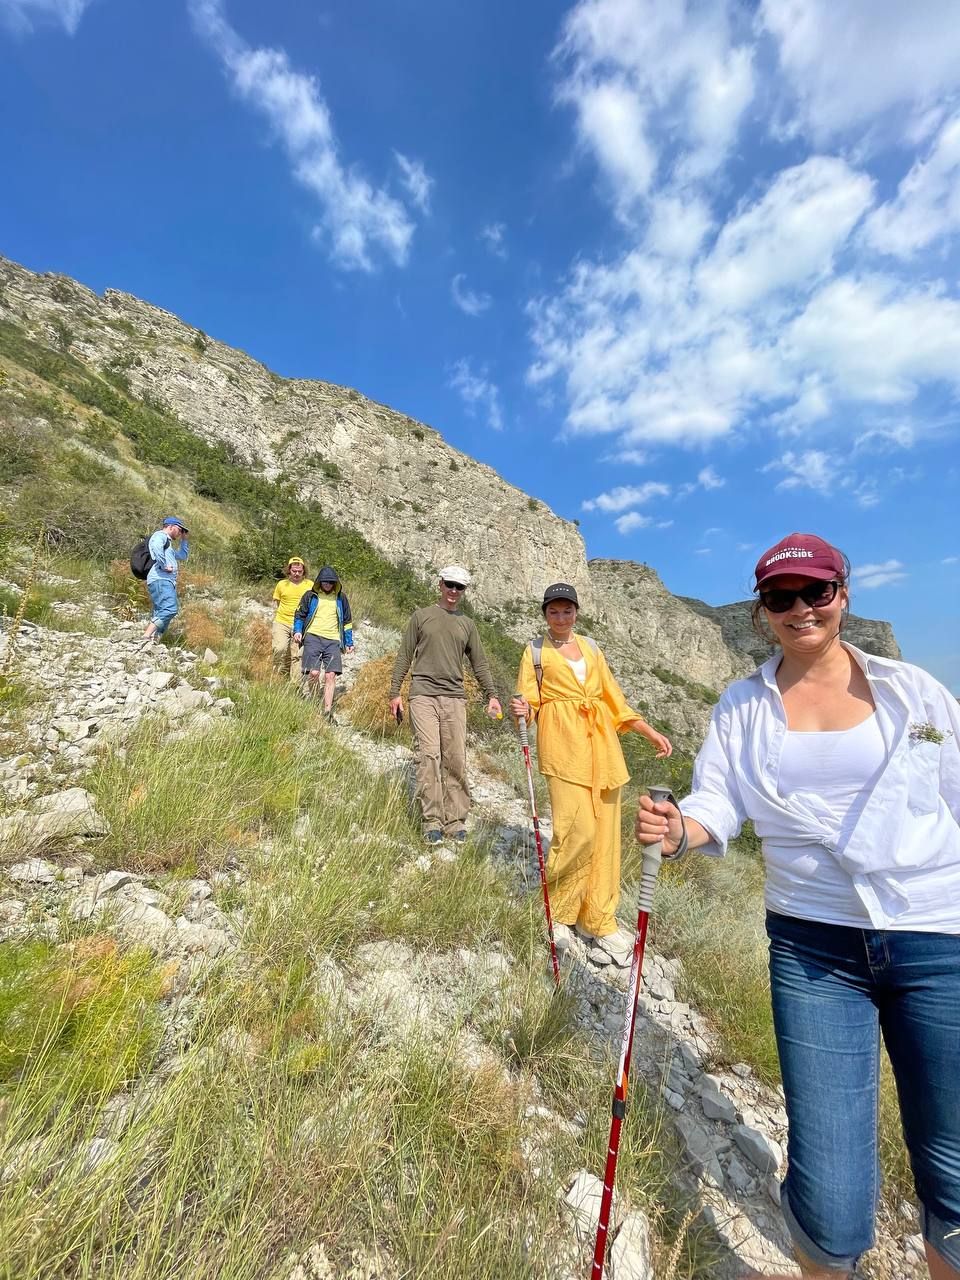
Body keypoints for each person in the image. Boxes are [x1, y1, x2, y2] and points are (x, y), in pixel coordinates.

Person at [635, 533, 960, 1280]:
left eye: (816, 592)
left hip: (937, 935)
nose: (801, 609)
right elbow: (718, 797)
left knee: (953, 1162)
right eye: (782, 599)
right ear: (762, 613)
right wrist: (682, 828)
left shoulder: (917, 695)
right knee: (831, 1188)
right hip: (814, 949)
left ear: (843, 595)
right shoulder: (742, 705)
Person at [509, 582, 672, 963]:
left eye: (567, 611)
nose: (561, 618)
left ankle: (598, 919)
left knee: (606, 839)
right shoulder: (534, 651)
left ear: (577, 613)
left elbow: (614, 698)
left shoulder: (592, 648)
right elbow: (530, 699)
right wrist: (524, 711)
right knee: (576, 831)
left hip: (602, 750)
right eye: (554, 612)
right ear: (545, 614)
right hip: (563, 747)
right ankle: (558, 910)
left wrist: (648, 731)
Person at [389, 566, 502, 844]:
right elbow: (404, 655)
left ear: (464, 591)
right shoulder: (421, 616)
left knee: (455, 759)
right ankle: (432, 821)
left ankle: (455, 821)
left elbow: (480, 663)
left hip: (454, 697)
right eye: (449, 585)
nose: (453, 591)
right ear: (440, 584)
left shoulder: (468, 624)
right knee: (429, 756)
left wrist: (492, 695)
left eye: (459, 587)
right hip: (422, 694)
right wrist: (395, 692)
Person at [292, 565, 354, 717]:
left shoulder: (341, 598)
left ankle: (327, 711)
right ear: (320, 581)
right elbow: (300, 614)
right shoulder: (310, 595)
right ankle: (314, 701)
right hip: (312, 637)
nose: (327, 584)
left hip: (333, 640)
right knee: (313, 673)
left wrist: (349, 642)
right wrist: (298, 631)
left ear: (335, 583)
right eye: (325, 582)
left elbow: (347, 621)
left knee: (330, 675)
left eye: (331, 582)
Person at [140, 516, 189, 647]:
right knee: (170, 609)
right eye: (179, 530)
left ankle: (154, 642)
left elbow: (183, 556)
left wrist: (184, 540)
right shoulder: (160, 536)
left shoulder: (169, 547)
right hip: (160, 579)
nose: (179, 533)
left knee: (161, 611)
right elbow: (156, 547)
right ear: (170, 526)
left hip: (165, 581)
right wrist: (163, 565)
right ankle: (146, 636)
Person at [271, 557, 313, 683]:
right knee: (280, 648)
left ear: (303, 571)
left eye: (299, 571)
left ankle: (294, 684)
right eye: (294, 571)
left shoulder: (310, 585)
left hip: (300, 624)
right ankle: (278, 676)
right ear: (289, 570)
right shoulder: (282, 584)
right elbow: (278, 602)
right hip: (282, 621)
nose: (296, 573)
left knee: (296, 655)